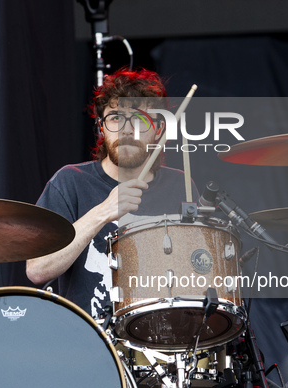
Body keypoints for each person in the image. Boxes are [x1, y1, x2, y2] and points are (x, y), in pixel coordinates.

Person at [26, 67, 197, 318]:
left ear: (159, 130)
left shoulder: (181, 186)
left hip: (164, 341)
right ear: (101, 128)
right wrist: (102, 212)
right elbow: (37, 270)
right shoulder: (70, 182)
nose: (126, 130)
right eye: (115, 117)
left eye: (139, 118)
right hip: (90, 346)